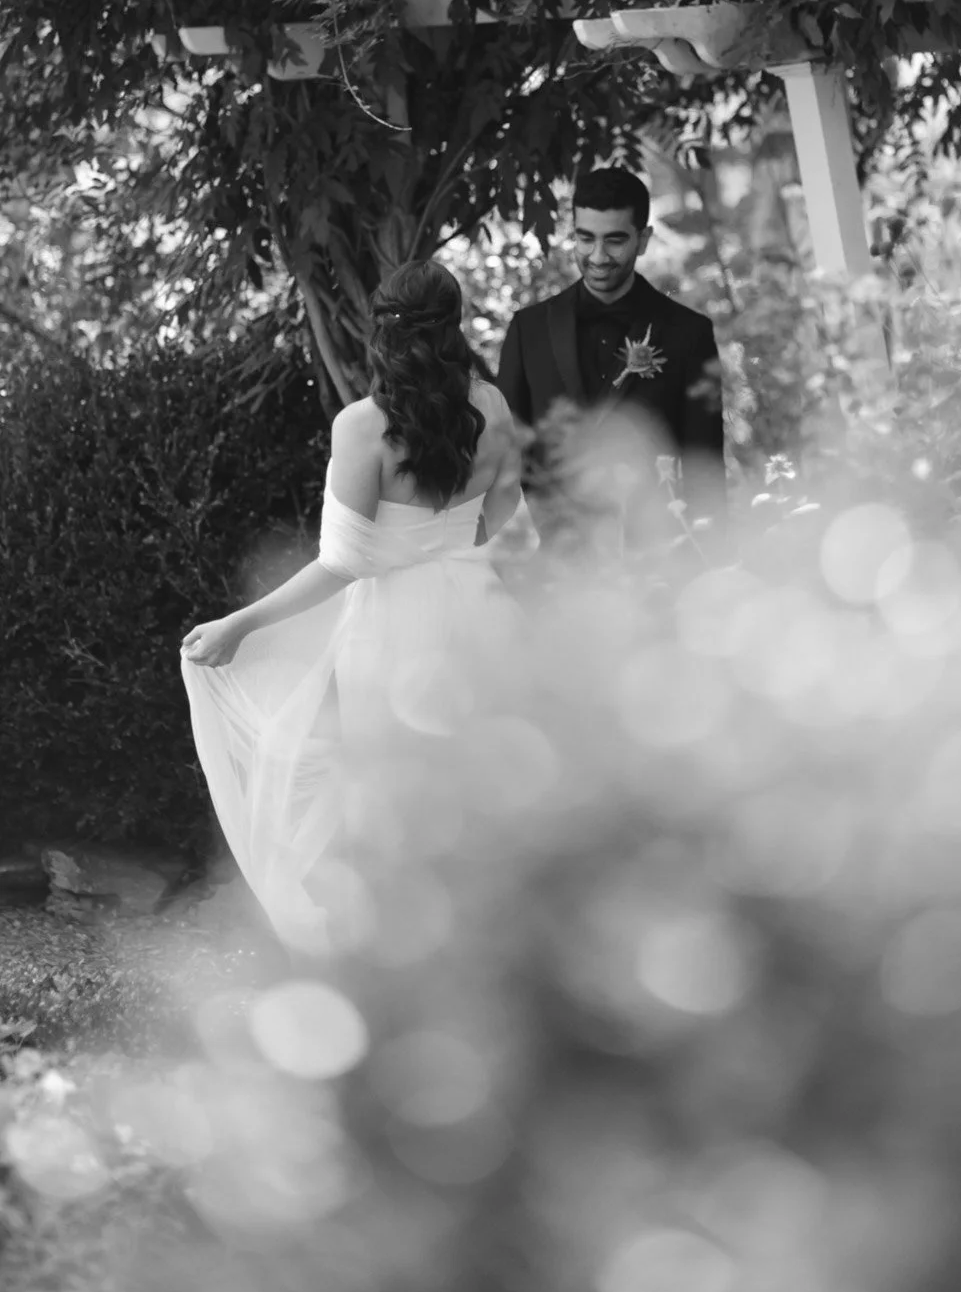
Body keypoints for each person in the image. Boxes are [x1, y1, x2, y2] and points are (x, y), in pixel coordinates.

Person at [180, 259, 522, 951]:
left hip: (396, 627)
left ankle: (406, 958)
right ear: (453, 324)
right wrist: (447, 547)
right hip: (478, 613)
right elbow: (506, 515)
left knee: (392, 801)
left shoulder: (362, 426)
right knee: (473, 787)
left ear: (379, 333)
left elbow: (342, 562)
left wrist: (239, 624)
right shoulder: (492, 405)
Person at [496, 165, 725, 530]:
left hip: (654, 552)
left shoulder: (689, 334)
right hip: (555, 556)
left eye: (615, 240)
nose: (598, 256)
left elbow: (705, 465)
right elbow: (507, 454)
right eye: (585, 238)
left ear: (644, 239)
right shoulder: (528, 330)